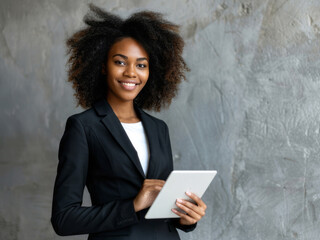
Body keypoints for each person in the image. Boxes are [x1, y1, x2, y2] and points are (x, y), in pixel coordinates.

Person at [50, 4, 207, 240]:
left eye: (141, 65)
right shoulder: (83, 127)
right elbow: (64, 219)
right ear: (102, 66)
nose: (131, 73)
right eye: (120, 62)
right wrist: (132, 205)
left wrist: (186, 217)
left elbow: (162, 205)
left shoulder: (158, 129)